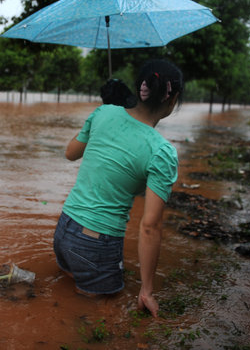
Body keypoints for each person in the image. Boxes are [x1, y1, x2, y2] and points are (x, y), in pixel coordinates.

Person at [53, 59, 184, 317]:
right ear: (173, 99)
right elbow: (150, 226)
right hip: (96, 243)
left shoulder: (103, 113)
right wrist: (147, 290)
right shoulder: (162, 152)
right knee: (101, 313)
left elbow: (70, 153)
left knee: (67, 299)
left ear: (139, 88)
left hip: (64, 230)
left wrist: (107, 116)